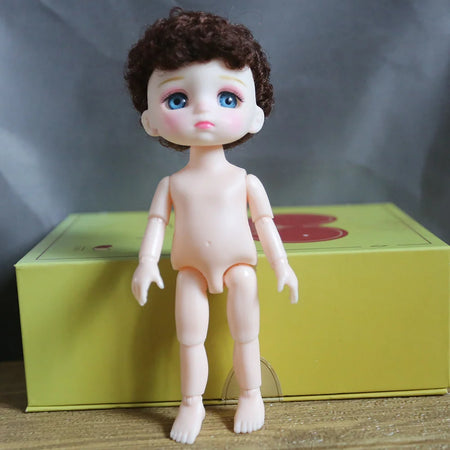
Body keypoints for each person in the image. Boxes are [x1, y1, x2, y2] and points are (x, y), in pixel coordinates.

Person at [126, 8, 298, 445]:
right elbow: (156, 223)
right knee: (190, 339)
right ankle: (191, 403)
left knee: (246, 334)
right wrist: (146, 263)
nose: (204, 110)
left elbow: (264, 223)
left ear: (255, 115)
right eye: (177, 99)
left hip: (240, 267)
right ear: (150, 120)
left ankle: (251, 395)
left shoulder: (245, 181)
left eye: (227, 97)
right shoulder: (172, 184)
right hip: (190, 270)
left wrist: (281, 265)